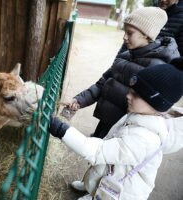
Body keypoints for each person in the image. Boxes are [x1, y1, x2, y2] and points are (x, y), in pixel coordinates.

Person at [49, 63, 183, 200]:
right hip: (115, 175)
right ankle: (92, 186)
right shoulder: (142, 113)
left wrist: (59, 128)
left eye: (137, 95)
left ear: (156, 103)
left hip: (121, 193)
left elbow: (97, 152)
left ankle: (95, 191)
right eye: (131, 90)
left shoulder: (144, 139)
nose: (128, 96)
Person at [66, 7, 180, 139]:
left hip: (125, 132)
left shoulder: (156, 68)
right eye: (124, 32)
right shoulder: (124, 56)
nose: (124, 37)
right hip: (105, 123)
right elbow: (102, 84)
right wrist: (79, 100)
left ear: (146, 34)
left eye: (130, 33)